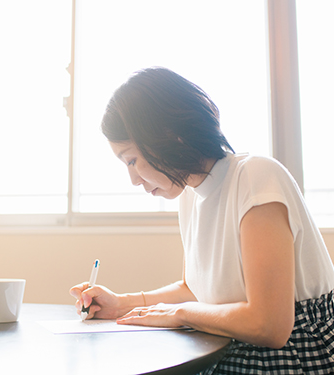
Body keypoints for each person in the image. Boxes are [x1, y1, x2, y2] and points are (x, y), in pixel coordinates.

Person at [70, 67, 334, 374]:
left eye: (131, 159)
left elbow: (270, 326)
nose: (132, 179)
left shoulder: (256, 176)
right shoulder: (190, 194)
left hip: (295, 352)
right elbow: (195, 289)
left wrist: (181, 313)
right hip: (231, 341)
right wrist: (121, 303)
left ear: (169, 136)